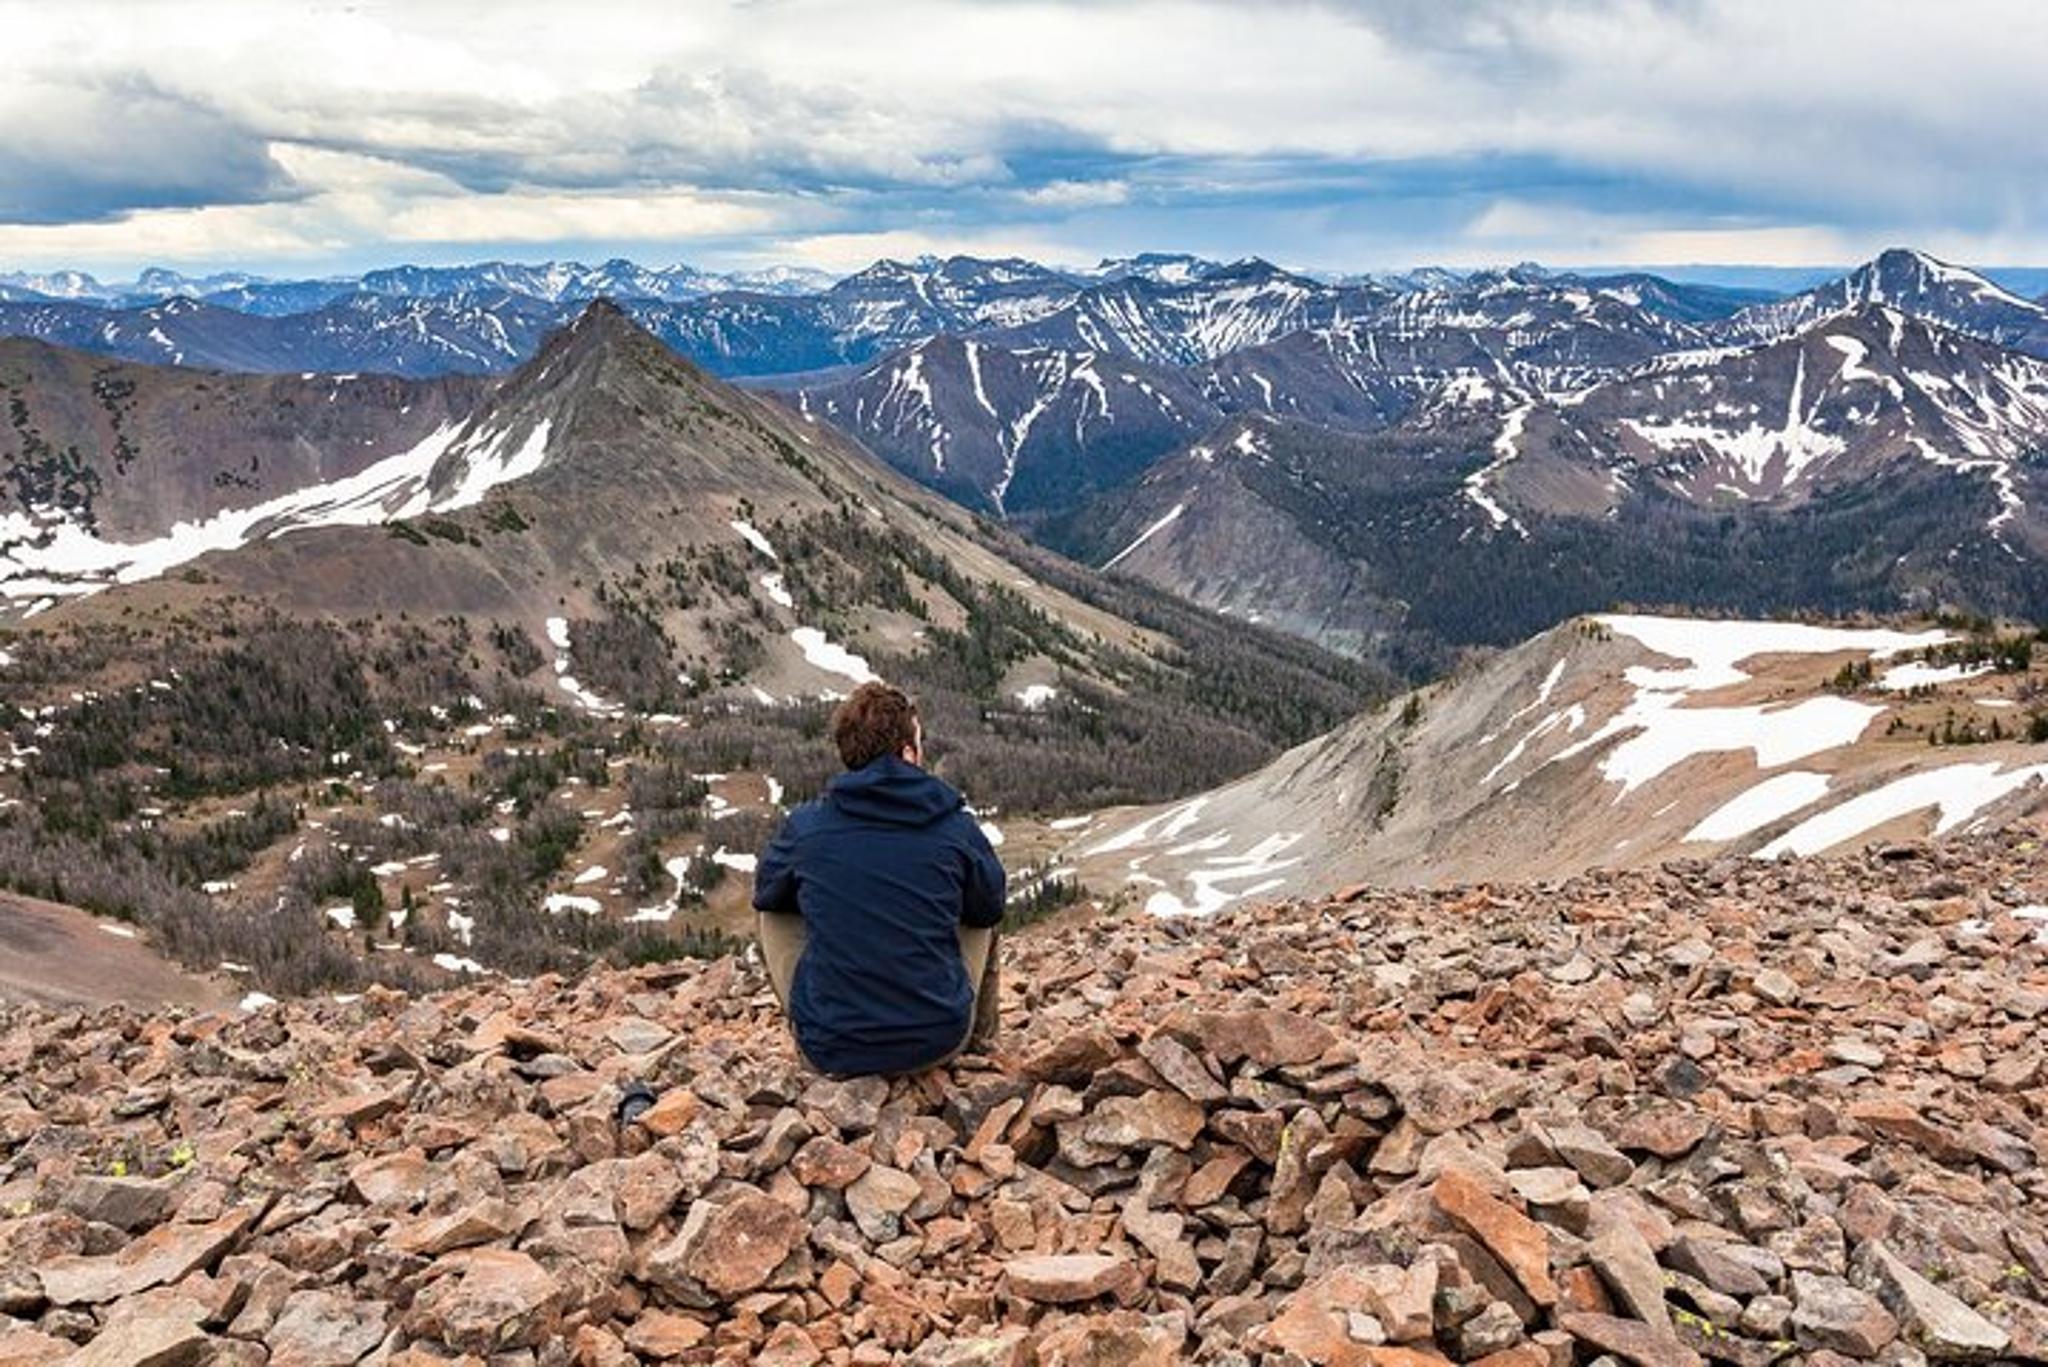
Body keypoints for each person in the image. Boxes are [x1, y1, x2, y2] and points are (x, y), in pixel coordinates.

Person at [752, 682, 1005, 1076]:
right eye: (919, 742)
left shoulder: (807, 827)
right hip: (937, 1042)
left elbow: (768, 895)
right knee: (981, 903)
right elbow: (990, 907)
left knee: (773, 912)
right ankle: (981, 1041)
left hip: (832, 1051)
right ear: (907, 753)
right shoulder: (955, 827)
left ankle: (815, 1021)